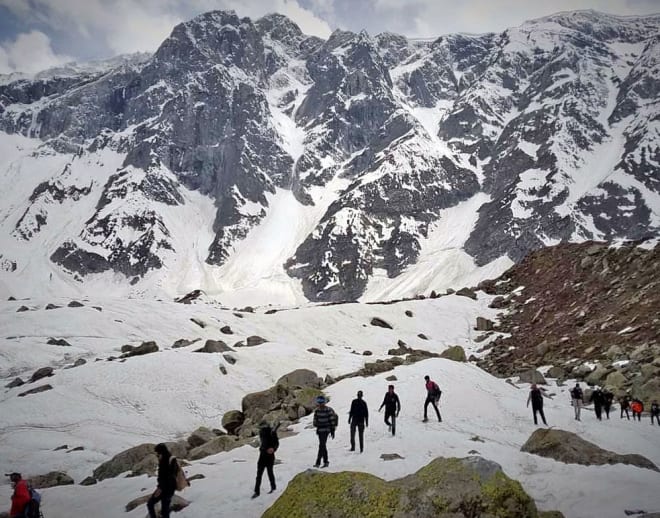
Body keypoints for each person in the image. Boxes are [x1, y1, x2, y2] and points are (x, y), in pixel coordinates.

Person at [148, 443, 178, 518]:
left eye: (157, 453)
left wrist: (160, 488)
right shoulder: (171, 459)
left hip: (164, 488)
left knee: (150, 503)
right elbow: (174, 474)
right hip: (171, 488)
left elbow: (165, 477)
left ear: (161, 452)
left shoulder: (164, 461)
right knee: (165, 508)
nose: (157, 455)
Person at [252, 421, 279, 498]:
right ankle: (257, 491)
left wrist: (273, 449)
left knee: (269, 473)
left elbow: (276, 443)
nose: (262, 428)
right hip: (262, 455)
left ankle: (273, 488)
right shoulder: (262, 432)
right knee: (259, 474)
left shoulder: (272, 432)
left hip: (269, 455)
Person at [313, 395, 338, 468]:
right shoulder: (317, 411)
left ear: (324, 402)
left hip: (326, 430)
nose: (320, 404)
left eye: (321, 403)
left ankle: (319, 462)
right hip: (320, 431)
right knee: (322, 445)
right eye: (319, 403)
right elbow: (314, 422)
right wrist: (318, 425)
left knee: (322, 445)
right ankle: (325, 462)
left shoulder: (328, 410)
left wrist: (332, 431)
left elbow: (332, 421)